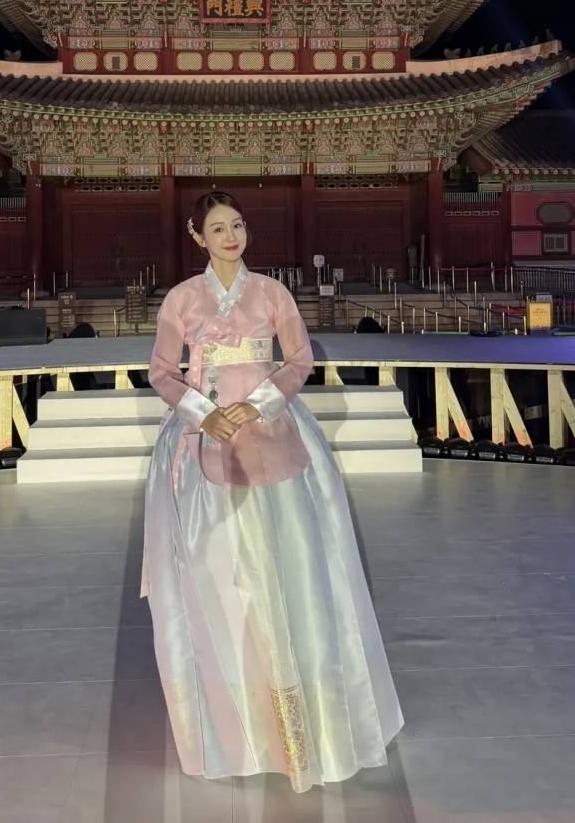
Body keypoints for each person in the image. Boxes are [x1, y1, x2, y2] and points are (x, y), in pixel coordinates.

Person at [141, 190, 404, 793]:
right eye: (217, 228)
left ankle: (308, 727)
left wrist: (258, 405)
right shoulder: (182, 299)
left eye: (237, 224)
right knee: (222, 583)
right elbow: (162, 371)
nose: (231, 236)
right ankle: (235, 727)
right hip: (203, 441)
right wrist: (204, 413)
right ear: (197, 236)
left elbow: (298, 360)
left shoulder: (272, 293)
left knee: (291, 576)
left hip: (273, 430)